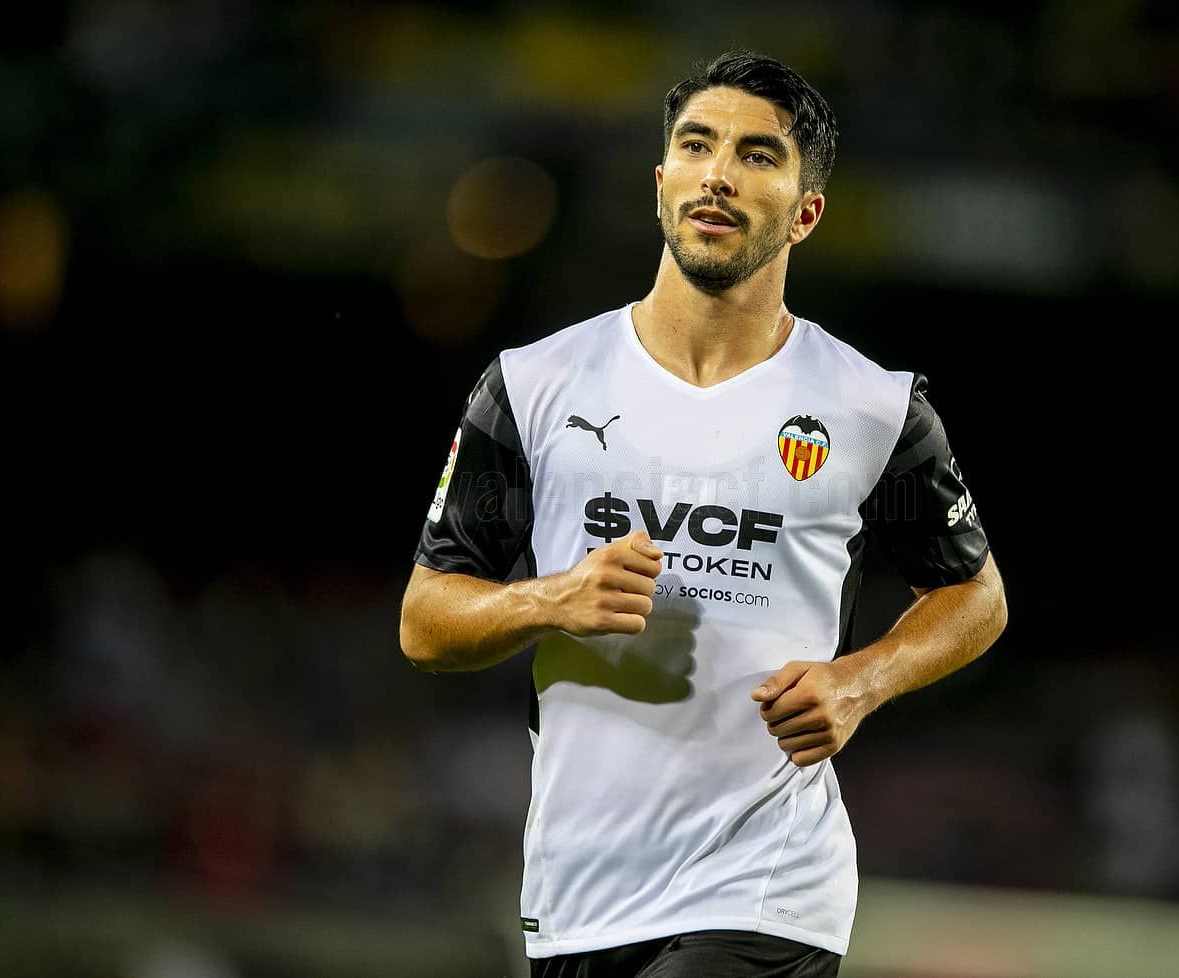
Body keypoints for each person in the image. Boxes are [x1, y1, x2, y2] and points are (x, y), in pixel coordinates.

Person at [400, 50, 1008, 978]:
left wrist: (863, 680)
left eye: (759, 155)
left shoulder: (872, 408)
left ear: (804, 214)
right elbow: (425, 621)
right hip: (577, 895)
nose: (719, 172)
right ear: (661, 185)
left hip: (767, 886)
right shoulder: (531, 385)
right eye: (697, 144)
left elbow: (976, 595)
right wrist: (546, 600)